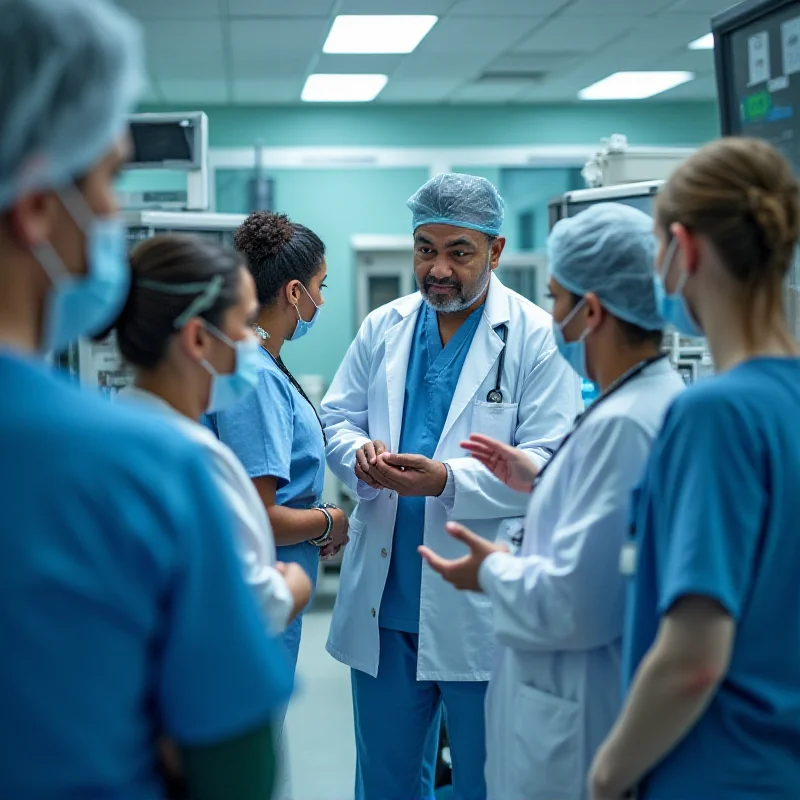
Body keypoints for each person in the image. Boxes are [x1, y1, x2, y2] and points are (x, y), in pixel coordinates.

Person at [0, 1, 293, 799]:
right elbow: (237, 767)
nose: (108, 215)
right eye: (106, 179)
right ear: (33, 205)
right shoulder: (141, 468)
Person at [321, 173, 581, 800]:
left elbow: (553, 464)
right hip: (386, 602)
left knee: (487, 782)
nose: (437, 268)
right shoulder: (384, 326)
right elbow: (336, 418)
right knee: (385, 782)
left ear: (494, 252)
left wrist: (448, 482)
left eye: (458, 251)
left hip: (480, 604)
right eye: (424, 248)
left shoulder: (538, 337)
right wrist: (359, 453)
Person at [420, 203, 685, 799]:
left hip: (577, 713)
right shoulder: (632, 407)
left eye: (558, 300)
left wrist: (492, 574)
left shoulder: (626, 424)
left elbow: (576, 602)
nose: (551, 317)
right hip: (564, 704)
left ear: (590, 312)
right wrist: (537, 479)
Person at [589, 138, 800, 800]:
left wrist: (607, 776)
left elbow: (692, 662)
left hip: (714, 770)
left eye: (656, 248)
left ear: (686, 249)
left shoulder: (715, 414)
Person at [208, 211, 348, 798]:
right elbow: (259, 519)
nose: (320, 299)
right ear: (294, 292)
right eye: (319, 287)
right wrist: (329, 521)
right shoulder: (255, 378)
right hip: (254, 600)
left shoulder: (261, 366)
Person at [114, 234, 314, 635]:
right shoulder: (195, 459)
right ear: (199, 339)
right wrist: (294, 585)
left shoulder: (115, 428)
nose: (251, 341)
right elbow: (255, 603)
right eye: (243, 324)